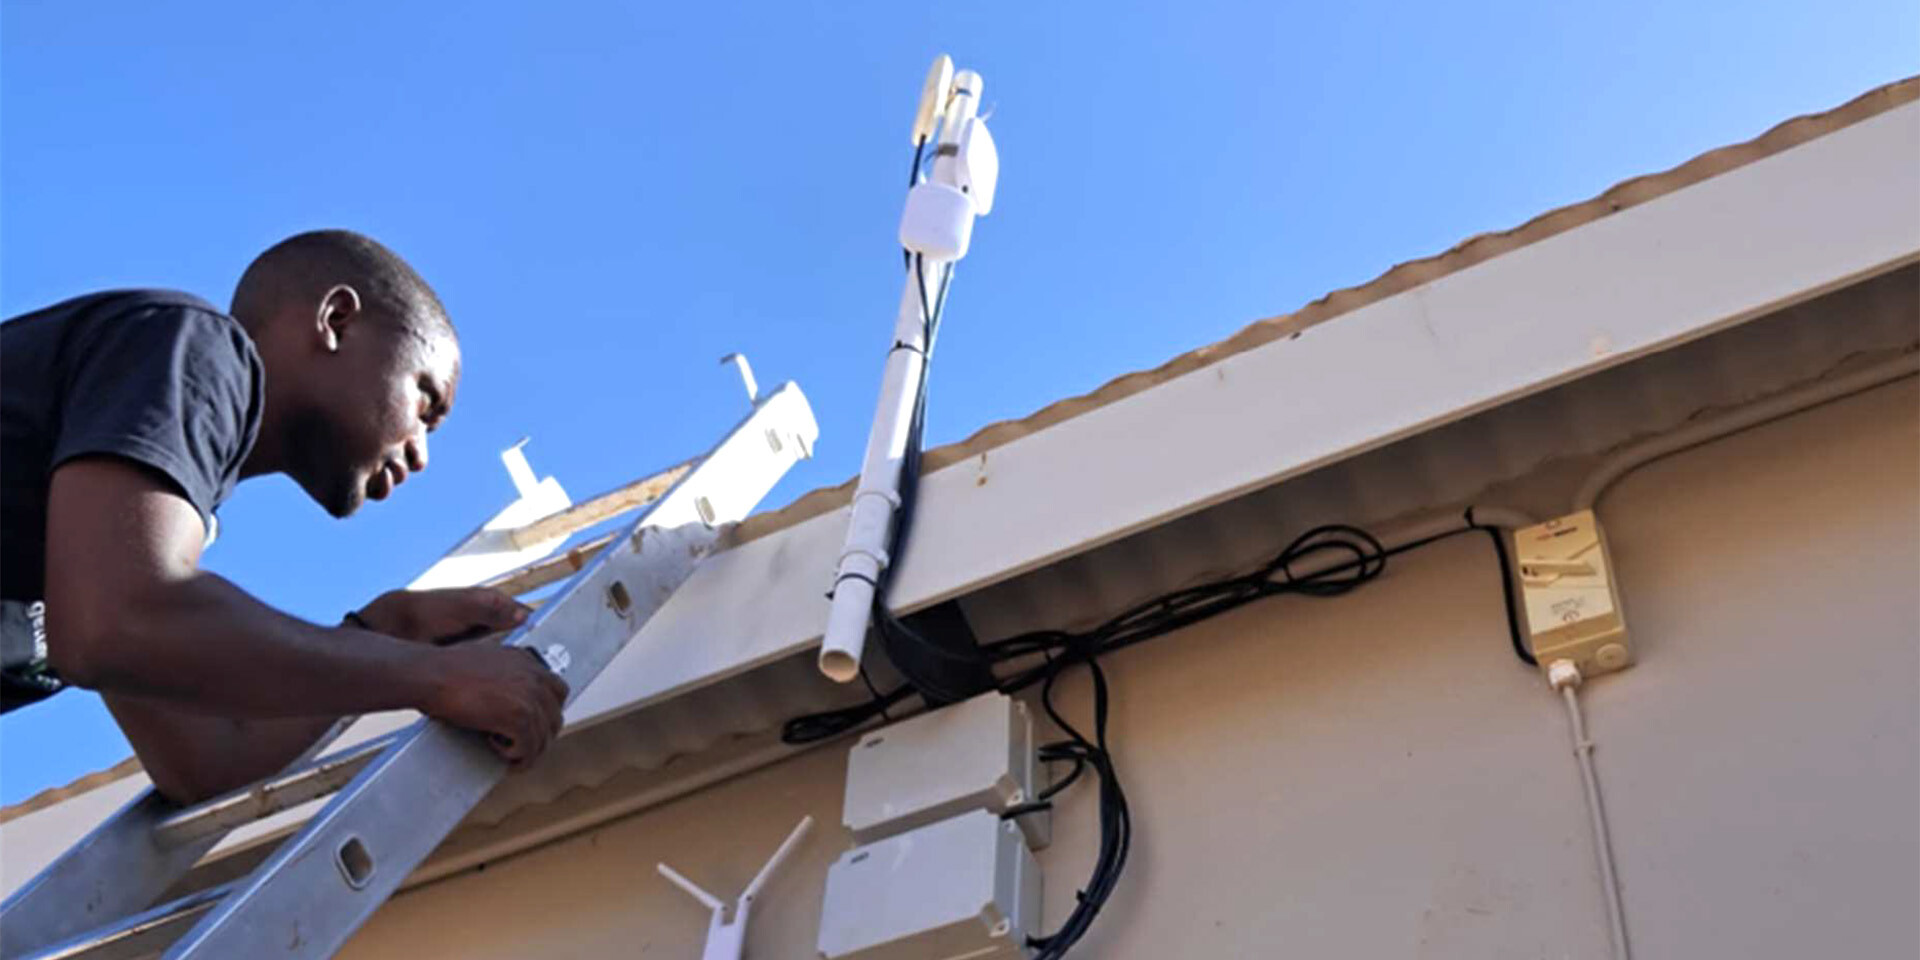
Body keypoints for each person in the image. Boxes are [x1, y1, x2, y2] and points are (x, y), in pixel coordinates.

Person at [0, 230, 568, 804]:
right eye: (425, 404)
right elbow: (114, 623)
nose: (421, 452)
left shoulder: (128, 514)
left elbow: (206, 760)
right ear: (337, 320)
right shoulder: (192, 344)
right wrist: (433, 677)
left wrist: (384, 630)